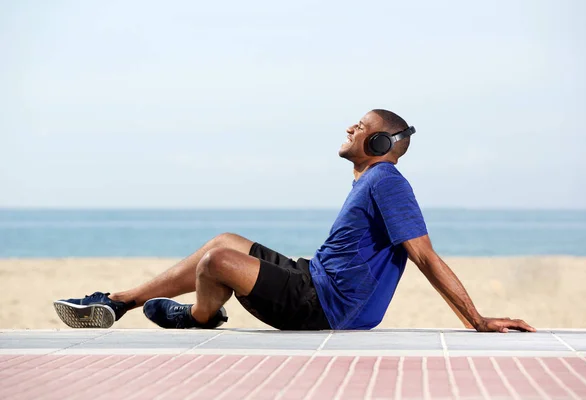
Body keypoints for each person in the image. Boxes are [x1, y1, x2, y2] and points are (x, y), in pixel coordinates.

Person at [54, 109, 536, 333]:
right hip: (313, 279)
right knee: (225, 240)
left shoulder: (387, 182)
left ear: (381, 145)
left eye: (361, 127)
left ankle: (200, 317)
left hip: (324, 306)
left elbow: (424, 255)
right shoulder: (369, 183)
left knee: (219, 262)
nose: (350, 128)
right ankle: (118, 303)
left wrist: (478, 320)